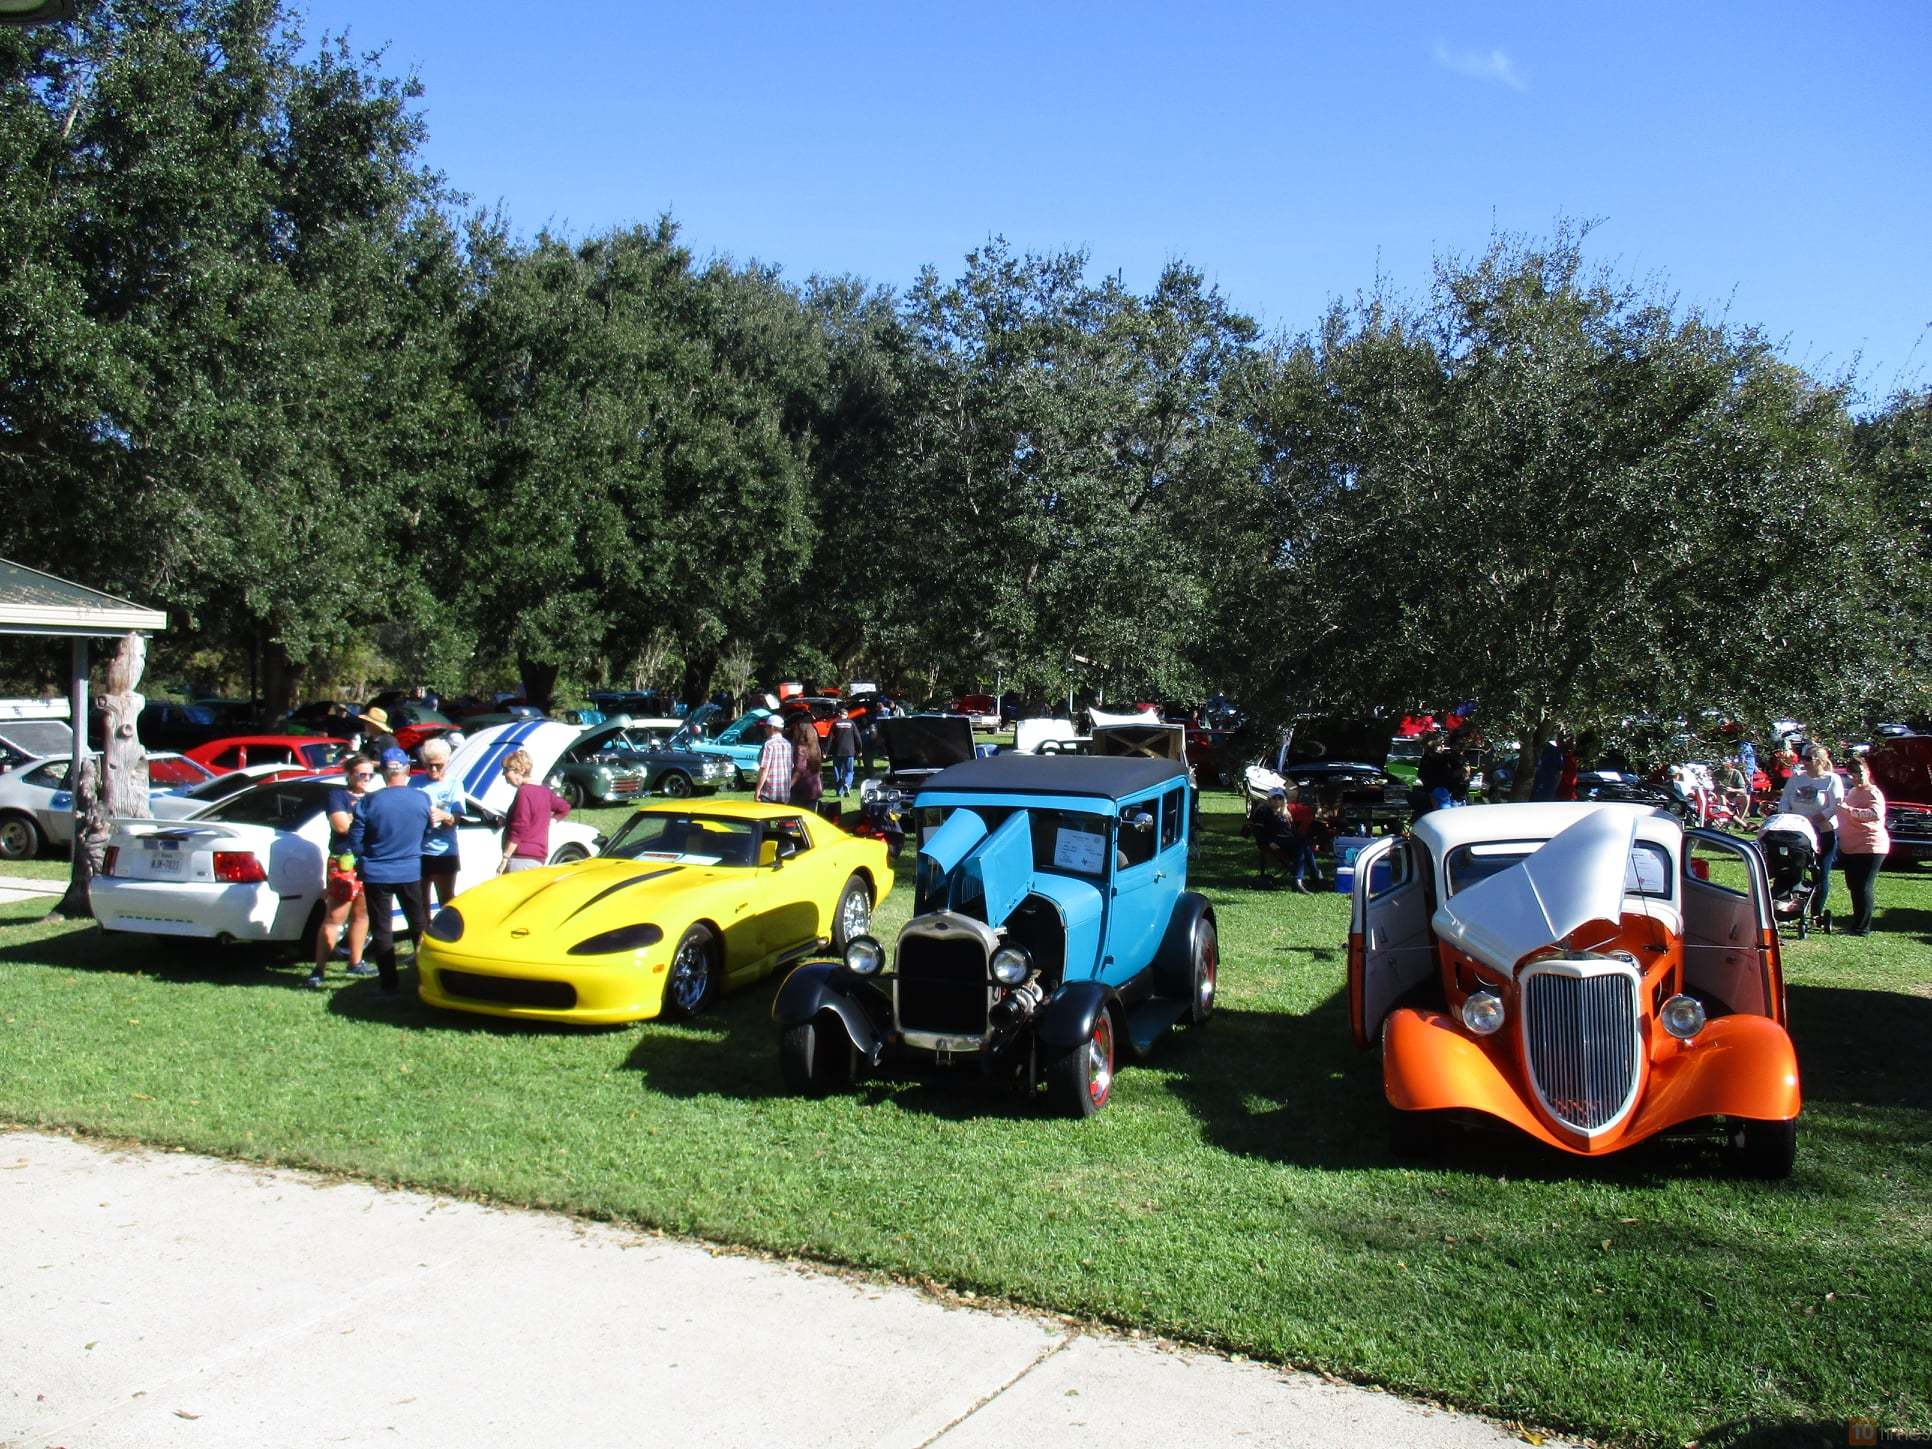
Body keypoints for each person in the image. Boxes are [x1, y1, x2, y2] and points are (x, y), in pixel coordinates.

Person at [350, 748, 432, 993]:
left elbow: (355, 840)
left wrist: (366, 856)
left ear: (383, 773)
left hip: (377, 872)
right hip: (409, 870)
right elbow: (427, 832)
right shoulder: (421, 798)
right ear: (407, 769)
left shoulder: (369, 801)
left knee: (382, 928)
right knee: (419, 924)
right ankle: (424, 975)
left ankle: (388, 983)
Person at [307, 752, 376, 988]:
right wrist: (364, 823)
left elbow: (367, 825)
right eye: (361, 774)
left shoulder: (372, 798)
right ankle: (319, 969)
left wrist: (355, 820)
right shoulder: (337, 795)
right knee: (335, 916)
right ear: (349, 774)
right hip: (343, 861)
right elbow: (341, 826)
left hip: (365, 860)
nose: (366, 778)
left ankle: (355, 961)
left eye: (370, 774)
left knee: (362, 913)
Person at [1778, 745, 1846, 920]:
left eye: (1809, 759)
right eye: (1803, 758)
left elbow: (1835, 804)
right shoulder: (1797, 778)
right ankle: (1789, 904)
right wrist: (1787, 815)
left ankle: (1816, 912)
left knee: (1820, 871)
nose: (1804, 762)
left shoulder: (1832, 779)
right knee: (1794, 866)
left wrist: (1820, 817)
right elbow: (1785, 799)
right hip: (1797, 830)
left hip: (1822, 830)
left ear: (1821, 762)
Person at [1834, 756, 1889, 936]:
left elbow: (1875, 814)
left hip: (1870, 846)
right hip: (1851, 846)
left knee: (1863, 885)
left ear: (1867, 771)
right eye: (1852, 774)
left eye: (1859, 772)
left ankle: (1862, 928)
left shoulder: (1873, 792)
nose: (1856, 777)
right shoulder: (1852, 792)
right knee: (1854, 885)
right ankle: (1857, 923)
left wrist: (1850, 811)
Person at [499, 747, 570, 873]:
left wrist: (505, 857)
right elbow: (564, 808)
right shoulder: (544, 791)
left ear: (520, 770)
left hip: (520, 858)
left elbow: (520, 827)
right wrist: (550, 821)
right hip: (537, 859)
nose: (503, 774)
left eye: (506, 770)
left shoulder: (524, 792)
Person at [418, 735, 463, 908]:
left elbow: (457, 818)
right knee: (420, 901)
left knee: (446, 900)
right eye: (430, 765)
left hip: (445, 851)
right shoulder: (415, 783)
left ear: (447, 762)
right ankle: (422, 934)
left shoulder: (454, 784)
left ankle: (445, 934)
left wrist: (445, 816)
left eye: (439, 765)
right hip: (419, 851)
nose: (434, 769)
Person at [788, 714, 824, 809]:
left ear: (800, 732)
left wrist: (788, 786)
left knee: (794, 818)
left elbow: (799, 770)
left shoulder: (801, 749)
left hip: (802, 789)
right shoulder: (816, 748)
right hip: (814, 787)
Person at [754, 714, 792, 803]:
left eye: (766, 727)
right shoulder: (788, 744)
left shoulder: (769, 744)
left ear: (772, 728)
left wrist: (757, 790)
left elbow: (764, 769)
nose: (765, 729)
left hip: (769, 794)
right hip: (784, 793)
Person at [829, 713, 859, 798]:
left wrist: (825, 751)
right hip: (849, 751)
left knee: (837, 772)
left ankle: (839, 792)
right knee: (849, 771)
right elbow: (857, 737)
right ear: (847, 715)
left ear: (839, 715)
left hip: (837, 752)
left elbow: (830, 738)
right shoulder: (851, 723)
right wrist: (859, 749)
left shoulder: (835, 723)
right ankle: (847, 784)